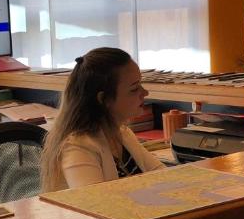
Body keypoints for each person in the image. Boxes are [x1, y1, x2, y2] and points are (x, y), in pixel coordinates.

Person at [41, 47, 165, 192]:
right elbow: (95, 206)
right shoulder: (77, 147)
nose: (145, 93)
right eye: (134, 89)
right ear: (103, 99)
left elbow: (163, 175)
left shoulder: (122, 134)